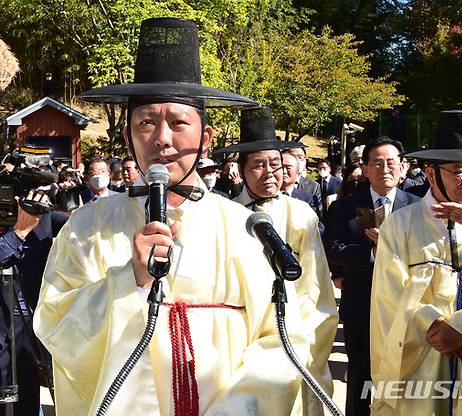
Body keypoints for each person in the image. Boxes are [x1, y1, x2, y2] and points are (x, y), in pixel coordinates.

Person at [34, 17, 309, 415]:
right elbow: (55, 325)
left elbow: (281, 341)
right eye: (146, 122)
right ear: (128, 136)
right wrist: (130, 278)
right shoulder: (86, 227)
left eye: (179, 122)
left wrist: (238, 409)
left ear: (206, 137)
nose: (162, 138)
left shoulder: (245, 229)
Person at [370, 110, 462, 415]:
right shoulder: (400, 224)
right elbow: (391, 292)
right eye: (458, 171)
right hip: (421, 354)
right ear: (431, 172)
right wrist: (436, 326)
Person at [219, 106, 338, 415]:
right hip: (244, 338)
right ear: (241, 169)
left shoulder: (301, 215)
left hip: (296, 336)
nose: (270, 172)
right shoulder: (224, 215)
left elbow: (317, 289)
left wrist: (307, 344)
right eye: (258, 164)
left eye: (275, 163)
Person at [323, 137, 420, 416]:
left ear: (403, 167)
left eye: (391, 163)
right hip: (360, 304)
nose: (385, 168)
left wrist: (390, 246)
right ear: (365, 169)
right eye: (377, 163)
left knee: (406, 374)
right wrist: (374, 254)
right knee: (360, 375)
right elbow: (333, 248)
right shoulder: (344, 207)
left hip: (407, 307)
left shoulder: (417, 208)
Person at [0, 189, 68, 416]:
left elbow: (80, 224)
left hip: (31, 318)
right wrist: (19, 231)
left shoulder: (45, 216)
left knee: (28, 385)